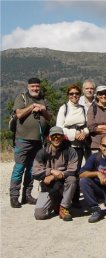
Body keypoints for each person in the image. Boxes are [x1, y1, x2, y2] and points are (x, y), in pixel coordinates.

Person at [10, 77, 52, 208]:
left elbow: (50, 117)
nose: (35, 88)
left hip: (38, 141)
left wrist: (42, 109)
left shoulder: (43, 99)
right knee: (19, 167)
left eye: (37, 86)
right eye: (33, 86)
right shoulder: (22, 98)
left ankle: (27, 195)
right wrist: (32, 107)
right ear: (28, 87)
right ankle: (14, 196)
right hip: (22, 140)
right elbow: (19, 114)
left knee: (32, 169)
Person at [32, 126, 78, 221]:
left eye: (59, 136)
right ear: (49, 138)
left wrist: (53, 176)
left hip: (63, 183)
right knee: (39, 215)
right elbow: (35, 173)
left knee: (72, 179)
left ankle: (64, 207)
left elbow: (73, 170)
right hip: (49, 187)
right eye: (53, 136)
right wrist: (51, 171)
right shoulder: (42, 153)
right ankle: (56, 202)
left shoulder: (70, 151)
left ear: (63, 137)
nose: (56, 139)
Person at [56, 84, 89, 207]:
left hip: (79, 144)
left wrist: (84, 134)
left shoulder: (83, 108)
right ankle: (62, 198)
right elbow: (59, 127)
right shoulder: (64, 108)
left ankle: (75, 199)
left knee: (76, 171)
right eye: (71, 94)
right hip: (66, 144)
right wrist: (74, 134)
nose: (74, 95)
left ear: (79, 95)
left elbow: (86, 126)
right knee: (64, 170)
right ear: (68, 95)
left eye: (76, 93)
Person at [78, 80, 96, 159]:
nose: (89, 90)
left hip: (95, 134)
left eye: (91, 88)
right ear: (83, 90)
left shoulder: (99, 101)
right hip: (81, 134)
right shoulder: (78, 101)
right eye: (87, 88)